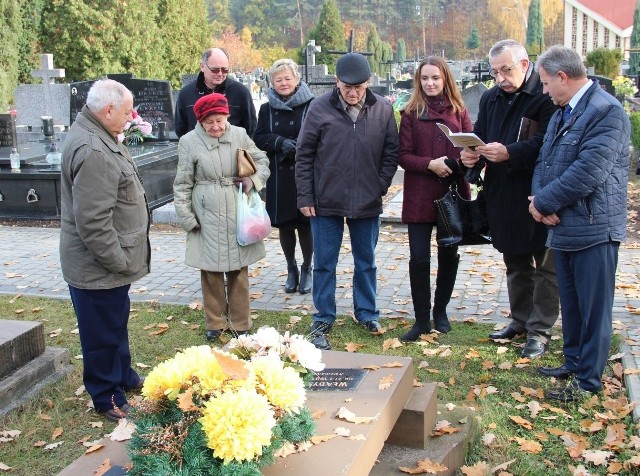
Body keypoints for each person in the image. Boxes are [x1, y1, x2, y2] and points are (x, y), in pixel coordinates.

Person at [530, 45, 630, 401]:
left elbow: (588, 171)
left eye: (544, 83)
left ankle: (588, 381)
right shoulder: (562, 111)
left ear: (562, 77)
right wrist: (538, 203)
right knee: (571, 305)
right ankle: (573, 363)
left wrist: (543, 202)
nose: (543, 91)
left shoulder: (606, 112)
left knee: (593, 309)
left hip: (594, 227)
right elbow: (544, 161)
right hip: (564, 225)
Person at [460, 39, 559, 359]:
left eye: (506, 70)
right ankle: (520, 319)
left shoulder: (544, 97)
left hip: (538, 191)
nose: (500, 78)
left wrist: (509, 153)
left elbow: (549, 145)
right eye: (495, 72)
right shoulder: (491, 97)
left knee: (545, 265)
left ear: (525, 65)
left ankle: (540, 329)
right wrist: (472, 153)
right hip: (502, 193)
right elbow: (481, 132)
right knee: (514, 260)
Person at [295, 53, 399, 350]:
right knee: (325, 262)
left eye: (358, 86)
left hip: (367, 200)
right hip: (325, 199)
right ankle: (323, 316)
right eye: (346, 86)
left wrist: (380, 185)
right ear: (337, 81)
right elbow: (304, 155)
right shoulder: (318, 108)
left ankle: (366, 312)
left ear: (368, 82)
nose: (352, 93)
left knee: (366, 261)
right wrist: (305, 195)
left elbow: (391, 152)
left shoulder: (382, 109)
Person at [60, 79, 150, 421]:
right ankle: (106, 394)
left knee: (114, 323)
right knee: (101, 333)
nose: (131, 118)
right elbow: (94, 222)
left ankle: (122, 377)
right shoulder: (94, 149)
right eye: (126, 112)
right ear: (108, 110)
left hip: (107, 265)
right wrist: (120, 261)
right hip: (99, 265)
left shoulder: (97, 132)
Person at [173, 93, 270, 342]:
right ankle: (215, 323)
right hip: (206, 212)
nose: (216, 127)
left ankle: (241, 322)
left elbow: (262, 160)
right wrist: (187, 217)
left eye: (220, 120)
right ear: (200, 122)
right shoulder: (189, 141)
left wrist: (253, 180)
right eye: (210, 122)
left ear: (227, 117)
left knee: (239, 270)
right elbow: (182, 183)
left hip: (237, 209)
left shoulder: (238, 134)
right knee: (211, 272)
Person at [398, 57, 473, 341]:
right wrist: (430, 164)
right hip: (419, 195)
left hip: (451, 193)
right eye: (425, 78)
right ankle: (420, 319)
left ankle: (440, 312)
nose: (430, 83)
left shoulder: (459, 110)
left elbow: (469, 147)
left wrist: (457, 163)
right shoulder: (410, 112)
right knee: (418, 258)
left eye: (435, 78)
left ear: (445, 80)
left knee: (449, 254)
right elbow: (403, 155)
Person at [254, 59, 314, 294]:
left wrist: (300, 146)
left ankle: (308, 268)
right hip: (279, 176)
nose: (283, 83)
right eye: (278, 79)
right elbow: (259, 137)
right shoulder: (266, 108)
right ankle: (291, 269)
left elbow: (319, 134)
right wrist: (279, 143)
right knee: (286, 226)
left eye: (288, 78)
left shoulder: (312, 105)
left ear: (297, 79)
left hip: (304, 173)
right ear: (272, 83)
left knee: (306, 223)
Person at [174, 48, 257, 137]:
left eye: (225, 70)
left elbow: (251, 128)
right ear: (202, 67)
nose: (220, 74)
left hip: (232, 149)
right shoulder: (186, 94)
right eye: (215, 70)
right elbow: (180, 129)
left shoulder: (240, 92)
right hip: (198, 149)